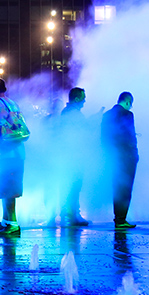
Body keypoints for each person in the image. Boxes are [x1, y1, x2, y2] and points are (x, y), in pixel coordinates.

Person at [0, 77, 28, 236]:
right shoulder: (13, 103)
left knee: (8, 188)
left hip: (6, 154)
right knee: (8, 188)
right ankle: (6, 220)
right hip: (18, 152)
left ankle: (12, 223)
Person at [101, 92, 139, 230]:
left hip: (112, 156)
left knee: (116, 187)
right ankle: (121, 219)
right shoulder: (128, 115)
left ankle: (118, 217)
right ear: (128, 101)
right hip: (126, 156)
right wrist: (135, 153)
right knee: (126, 188)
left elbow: (103, 137)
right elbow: (130, 135)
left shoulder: (107, 115)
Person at [59, 87, 90, 226]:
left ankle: (68, 213)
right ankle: (73, 215)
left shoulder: (67, 112)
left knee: (70, 185)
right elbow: (83, 132)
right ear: (77, 99)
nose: (84, 101)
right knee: (74, 185)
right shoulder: (73, 114)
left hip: (69, 156)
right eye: (83, 98)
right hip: (74, 157)